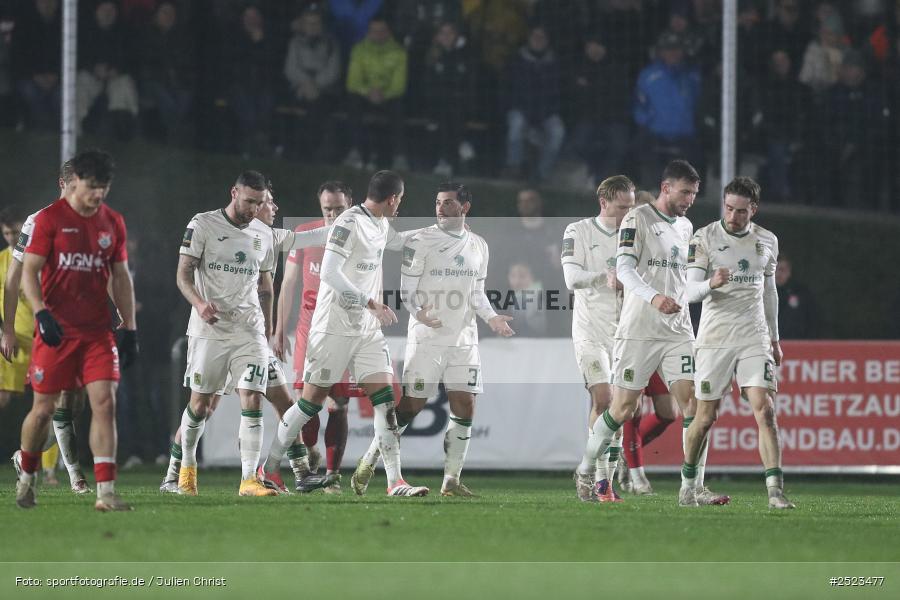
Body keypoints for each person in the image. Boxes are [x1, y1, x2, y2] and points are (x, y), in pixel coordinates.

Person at [261, 170, 429, 497]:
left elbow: (398, 241)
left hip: (366, 331)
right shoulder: (348, 223)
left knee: (385, 402)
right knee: (310, 404)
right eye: (400, 201)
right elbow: (329, 273)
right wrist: (370, 303)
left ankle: (395, 482)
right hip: (332, 328)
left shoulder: (379, 223)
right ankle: (268, 469)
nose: (399, 206)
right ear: (393, 198)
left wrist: (438, 231)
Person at [174, 170, 334, 497]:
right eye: (250, 201)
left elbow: (303, 243)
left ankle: (250, 479)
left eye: (260, 203)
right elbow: (183, 275)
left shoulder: (264, 233)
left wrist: (352, 224)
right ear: (233, 193)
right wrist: (200, 303)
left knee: (253, 396)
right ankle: (185, 468)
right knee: (200, 406)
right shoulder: (203, 224)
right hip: (209, 330)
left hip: (248, 332)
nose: (255, 209)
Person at [349, 182, 514, 497]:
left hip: (464, 338)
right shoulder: (421, 240)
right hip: (427, 337)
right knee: (411, 406)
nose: (440, 208)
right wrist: (418, 312)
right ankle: (370, 458)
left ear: (465, 208)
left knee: (465, 405)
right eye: (438, 202)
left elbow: (477, 293)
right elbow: (407, 289)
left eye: (448, 203)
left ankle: (451, 481)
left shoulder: (479, 245)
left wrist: (491, 317)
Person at [581, 160, 729, 507]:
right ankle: (586, 469)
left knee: (694, 406)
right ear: (666, 188)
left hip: (678, 331)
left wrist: (708, 285)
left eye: (694, 193)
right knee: (622, 409)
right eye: (685, 192)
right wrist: (655, 298)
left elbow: (684, 285)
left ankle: (692, 489)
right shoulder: (638, 218)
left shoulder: (686, 227)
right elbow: (624, 269)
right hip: (639, 330)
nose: (690, 199)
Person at [15, 149, 138, 511]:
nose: (98, 194)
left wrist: (130, 326)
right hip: (57, 331)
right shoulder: (48, 219)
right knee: (43, 410)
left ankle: (106, 493)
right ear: (75, 183)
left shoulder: (112, 222)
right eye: (92, 186)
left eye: (104, 187)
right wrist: (41, 313)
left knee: (104, 403)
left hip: (96, 333)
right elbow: (29, 271)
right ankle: (27, 476)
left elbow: (120, 276)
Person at [682, 176, 794, 509]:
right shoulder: (704, 238)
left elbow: (769, 291)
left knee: (765, 409)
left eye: (741, 211)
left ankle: (775, 491)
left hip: (753, 336)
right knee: (705, 418)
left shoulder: (767, 240)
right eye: (728, 208)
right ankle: (688, 486)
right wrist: (710, 284)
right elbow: (689, 291)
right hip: (715, 338)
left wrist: (774, 338)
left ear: (753, 209)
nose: (733, 216)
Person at [4, 163, 91, 494]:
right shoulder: (38, 221)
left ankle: (25, 456)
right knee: (50, 403)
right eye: (75, 186)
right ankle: (76, 477)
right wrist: (8, 329)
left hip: (81, 325)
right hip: (48, 325)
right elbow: (14, 278)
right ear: (62, 184)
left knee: (75, 404)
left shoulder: (91, 221)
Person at [273, 181, 356, 494]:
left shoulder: (361, 236)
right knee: (306, 402)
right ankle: (309, 452)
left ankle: (333, 475)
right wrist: (279, 330)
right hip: (309, 331)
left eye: (339, 209)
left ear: (350, 205)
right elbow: (288, 284)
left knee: (339, 403)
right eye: (327, 209)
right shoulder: (306, 235)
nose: (333, 215)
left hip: (345, 330)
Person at [563, 176, 635, 502]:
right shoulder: (578, 231)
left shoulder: (634, 237)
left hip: (625, 334)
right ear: (603, 202)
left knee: (620, 409)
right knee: (603, 399)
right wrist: (603, 277)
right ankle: (594, 475)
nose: (628, 214)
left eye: (631, 207)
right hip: (590, 331)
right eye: (622, 207)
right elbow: (571, 278)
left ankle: (604, 481)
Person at [343, 17, 409, 171]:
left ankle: (399, 156)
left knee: (398, 107)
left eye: (382, 31)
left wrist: (383, 94)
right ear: (368, 32)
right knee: (352, 102)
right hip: (365, 95)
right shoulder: (359, 50)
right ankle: (356, 152)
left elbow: (399, 84)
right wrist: (368, 92)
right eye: (374, 31)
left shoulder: (399, 52)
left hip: (388, 97)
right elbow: (353, 81)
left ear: (388, 32)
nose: (378, 34)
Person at [775, 254, 820, 339]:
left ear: (789, 272)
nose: (778, 274)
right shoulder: (762, 294)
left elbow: (813, 322)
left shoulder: (802, 294)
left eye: (782, 270)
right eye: (774, 270)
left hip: (797, 345)